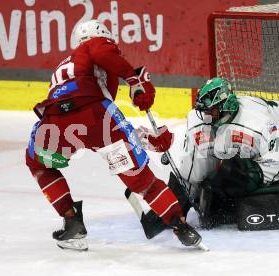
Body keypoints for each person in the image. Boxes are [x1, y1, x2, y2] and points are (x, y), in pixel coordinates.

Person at [25, 19, 201, 251]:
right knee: (144, 182)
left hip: (56, 122)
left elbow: (76, 108)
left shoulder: (64, 64)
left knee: (37, 162)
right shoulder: (95, 45)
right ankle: (180, 226)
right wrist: (133, 78)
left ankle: (71, 221)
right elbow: (101, 58)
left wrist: (145, 136)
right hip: (99, 118)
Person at [178, 77, 279, 228]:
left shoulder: (258, 123)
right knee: (221, 181)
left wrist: (244, 185)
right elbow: (193, 173)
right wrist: (176, 206)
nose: (207, 117)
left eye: (212, 110)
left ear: (226, 106)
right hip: (256, 153)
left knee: (252, 192)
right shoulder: (201, 122)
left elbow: (277, 166)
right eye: (205, 111)